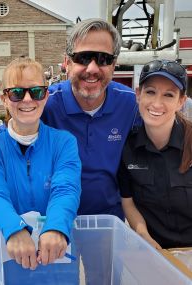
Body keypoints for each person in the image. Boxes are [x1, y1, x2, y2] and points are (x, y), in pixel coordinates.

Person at [41, 18, 137, 285]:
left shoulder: (128, 104)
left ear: (114, 65)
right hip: (56, 222)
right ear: (67, 62)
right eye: (83, 57)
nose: (93, 69)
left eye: (103, 59)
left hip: (107, 223)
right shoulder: (46, 105)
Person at [0, 57, 81, 276]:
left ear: (45, 96)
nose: (27, 100)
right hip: (10, 254)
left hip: (56, 254)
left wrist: (55, 227)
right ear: (4, 99)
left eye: (36, 92)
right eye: (17, 93)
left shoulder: (64, 142)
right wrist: (14, 228)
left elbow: (66, 188)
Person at [118, 59, 192, 249]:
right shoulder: (127, 148)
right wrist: (143, 234)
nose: (157, 103)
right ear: (138, 95)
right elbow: (128, 202)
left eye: (169, 95)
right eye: (150, 92)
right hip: (153, 253)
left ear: (181, 101)